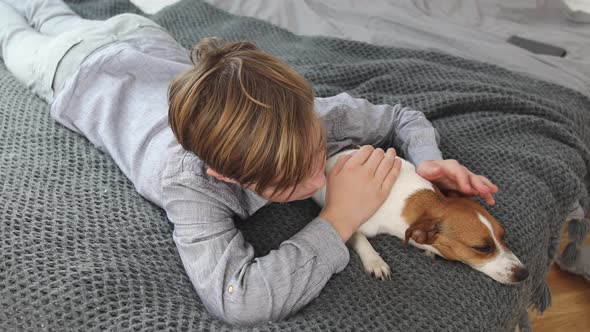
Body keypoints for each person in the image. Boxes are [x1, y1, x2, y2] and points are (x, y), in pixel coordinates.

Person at [0, 0, 499, 326]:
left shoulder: (315, 118)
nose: (317, 173)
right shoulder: (189, 184)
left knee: (50, 8)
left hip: (141, 37)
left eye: (315, 152)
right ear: (225, 175)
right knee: (12, 26)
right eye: (290, 180)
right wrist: (338, 217)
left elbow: (400, 116)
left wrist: (430, 162)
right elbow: (237, 299)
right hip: (70, 71)